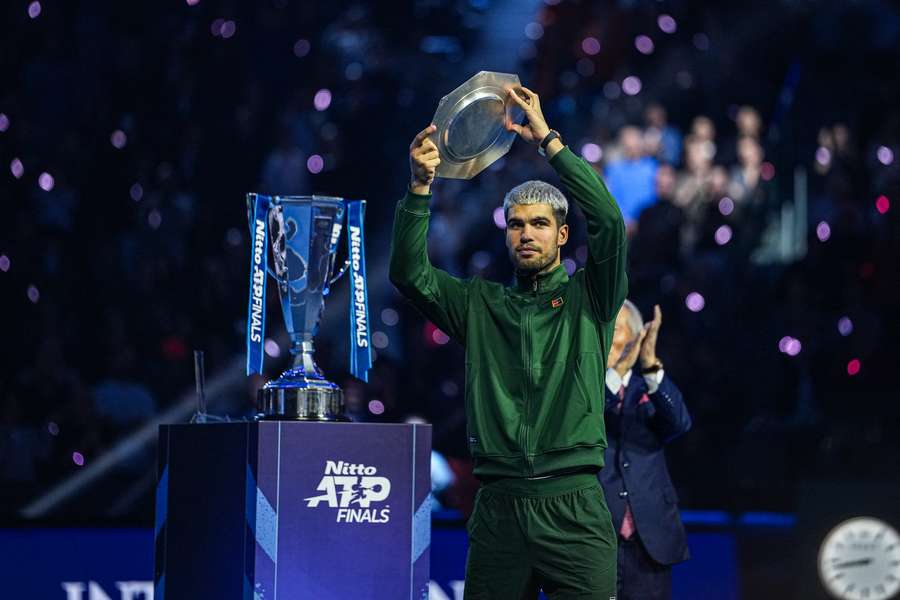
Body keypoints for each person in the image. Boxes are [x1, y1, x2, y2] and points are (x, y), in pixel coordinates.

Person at [390, 85, 627, 600]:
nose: (526, 234)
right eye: (516, 225)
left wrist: (549, 142)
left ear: (562, 236)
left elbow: (608, 221)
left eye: (540, 224)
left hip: (574, 505)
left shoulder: (592, 297)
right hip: (499, 508)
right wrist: (419, 188)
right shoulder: (479, 304)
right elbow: (408, 274)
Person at [600, 301, 691, 600]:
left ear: (636, 337)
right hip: (595, 538)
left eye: (615, 329)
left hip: (649, 541)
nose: (606, 337)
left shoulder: (649, 388)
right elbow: (580, 421)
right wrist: (615, 375)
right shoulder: (579, 392)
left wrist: (650, 365)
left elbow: (679, 422)